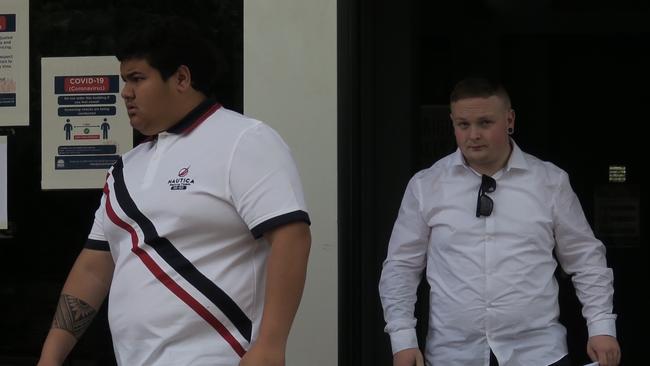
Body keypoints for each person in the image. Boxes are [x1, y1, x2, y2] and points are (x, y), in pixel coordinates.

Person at [37, 15, 311, 366]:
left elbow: (292, 237)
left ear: (182, 78)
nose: (126, 92)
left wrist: (271, 346)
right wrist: (50, 358)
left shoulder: (244, 140)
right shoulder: (125, 169)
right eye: (124, 80)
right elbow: (94, 266)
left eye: (137, 78)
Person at [379, 77, 620, 366]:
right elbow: (401, 267)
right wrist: (402, 339)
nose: (473, 135)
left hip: (538, 353)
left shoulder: (550, 182)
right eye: (463, 125)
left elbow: (585, 258)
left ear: (509, 120)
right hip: (452, 355)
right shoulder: (426, 185)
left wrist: (601, 326)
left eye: (484, 123)